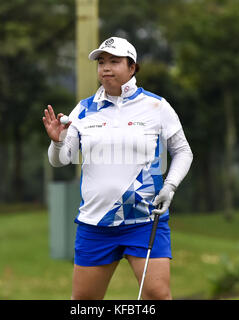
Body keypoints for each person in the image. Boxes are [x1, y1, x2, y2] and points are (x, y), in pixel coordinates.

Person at [43, 36, 193, 300]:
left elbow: (183, 151)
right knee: (84, 302)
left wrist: (170, 186)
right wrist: (57, 142)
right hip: (95, 223)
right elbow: (61, 159)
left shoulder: (156, 106)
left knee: (157, 295)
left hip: (144, 220)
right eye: (101, 62)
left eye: (114, 61)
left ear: (132, 67)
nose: (106, 68)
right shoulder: (83, 110)